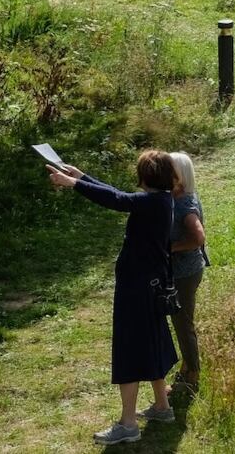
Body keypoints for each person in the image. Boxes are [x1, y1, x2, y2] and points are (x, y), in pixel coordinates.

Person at [45, 151, 180, 445]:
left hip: (137, 289)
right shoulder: (161, 200)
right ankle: (162, 407)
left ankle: (128, 424)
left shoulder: (149, 203)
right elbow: (120, 196)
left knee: (130, 349)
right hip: (151, 287)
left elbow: (118, 200)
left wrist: (72, 184)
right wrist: (81, 176)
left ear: (144, 176)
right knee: (153, 342)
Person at [167, 152, 209, 396]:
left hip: (185, 272)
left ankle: (192, 375)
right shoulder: (180, 196)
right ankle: (187, 367)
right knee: (180, 321)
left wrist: (169, 248)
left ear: (179, 175)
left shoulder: (185, 203)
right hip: (184, 271)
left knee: (183, 324)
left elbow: (197, 237)